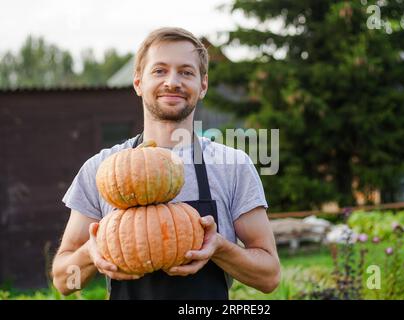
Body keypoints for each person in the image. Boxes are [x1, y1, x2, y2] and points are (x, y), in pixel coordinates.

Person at [51, 27, 280, 300]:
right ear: (138, 82)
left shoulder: (233, 166)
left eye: (186, 72)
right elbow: (65, 282)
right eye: (159, 71)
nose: (172, 82)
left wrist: (219, 248)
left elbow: (269, 278)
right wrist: (90, 253)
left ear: (203, 85)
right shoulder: (101, 169)